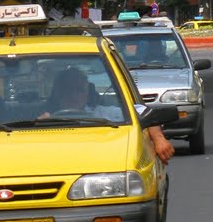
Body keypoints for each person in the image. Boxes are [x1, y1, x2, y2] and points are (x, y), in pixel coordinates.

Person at [40, 67, 175, 161]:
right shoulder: (38, 121)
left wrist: (159, 139)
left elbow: (144, 112)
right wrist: (40, 124)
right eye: (68, 90)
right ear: (57, 93)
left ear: (87, 92)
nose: (74, 96)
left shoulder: (106, 114)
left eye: (79, 90)